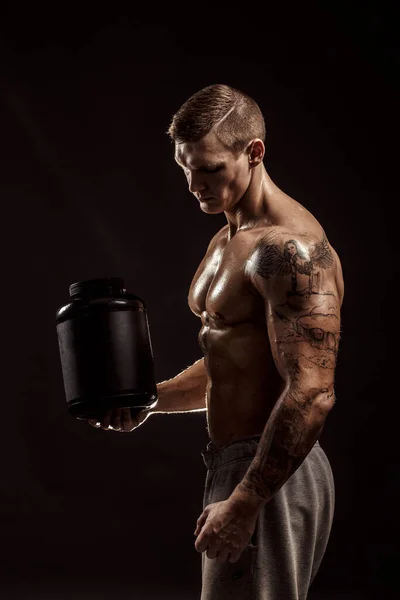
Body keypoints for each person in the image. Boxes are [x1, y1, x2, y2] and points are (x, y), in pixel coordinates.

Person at [89, 84, 344, 600]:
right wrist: (150, 400)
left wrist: (247, 500)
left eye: (208, 168)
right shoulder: (229, 238)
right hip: (239, 464)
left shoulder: (289, 250)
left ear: (254, 153)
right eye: (185, 167)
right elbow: (232, 362)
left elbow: (313, 391)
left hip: (271, 468)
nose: (193, 184)